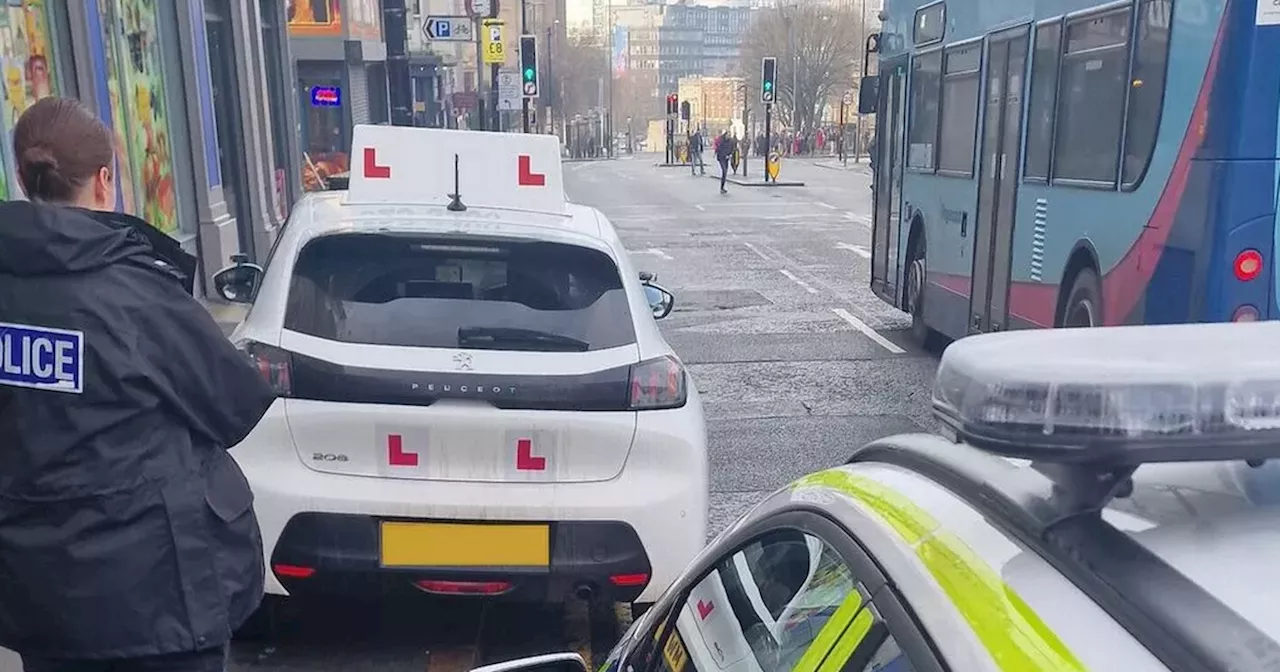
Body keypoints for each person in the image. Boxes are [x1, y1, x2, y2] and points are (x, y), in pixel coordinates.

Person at [0, 97, 276, 671]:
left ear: (23, 178)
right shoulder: (136, 295)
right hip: (158, 601)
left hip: (40, 597)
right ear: (104, 182)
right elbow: (235, 405)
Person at [715, 129, 737, 194]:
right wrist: (723, 154)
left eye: (730, 135)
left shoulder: (731, 141)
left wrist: (730, 154)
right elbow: (718, 149)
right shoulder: (721, 140)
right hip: (721, 158)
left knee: (725, 173)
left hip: (726, 158)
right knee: (724, 170)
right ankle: (722, 188)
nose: (729, 136)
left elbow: (733, 149)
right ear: (725, 135)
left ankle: (722, 187)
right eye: (728, 135)